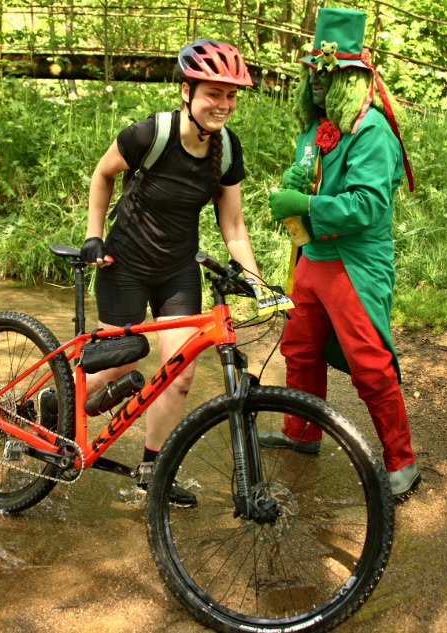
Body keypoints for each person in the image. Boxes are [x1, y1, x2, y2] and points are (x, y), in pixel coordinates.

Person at [80, 39, 263, 508]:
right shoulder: (150, 135)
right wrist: (94, 235)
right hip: (124, 264)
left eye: (231, 96)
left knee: (179, 374)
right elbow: (102, 174)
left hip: (177, 269)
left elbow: (233, 224)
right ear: (186, 91)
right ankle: (57, 402)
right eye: (213, 93)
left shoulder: (227, 149)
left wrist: (257, 281)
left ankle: (152, 471)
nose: (223, 104)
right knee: (117, 365)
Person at [260, 7, 420, 502]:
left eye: (328, 73)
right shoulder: (315, 127)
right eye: (313, 71)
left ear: (352, 78)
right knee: (299, 348)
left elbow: (368, 206)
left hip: (355, 264)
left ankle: (402, 462)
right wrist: (294, 184)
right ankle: (301, 432)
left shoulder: (372, 131)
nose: (317, 80)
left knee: (369, 363)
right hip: (312, 259)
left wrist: (306, 205)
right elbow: (309, 177)